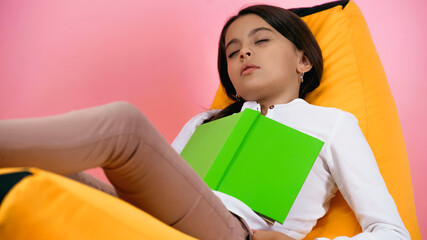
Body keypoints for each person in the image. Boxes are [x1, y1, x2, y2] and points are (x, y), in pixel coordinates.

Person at [0, 4, 409, 240]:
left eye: (260, 40)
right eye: (233, 52)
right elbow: (160, 183)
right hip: (164, 221)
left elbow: (392, 232)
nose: (244, 53)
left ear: (303, 61)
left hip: (234, 233)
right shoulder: (206, 122)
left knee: (125, 128)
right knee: (40, 174)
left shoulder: (333, 124)